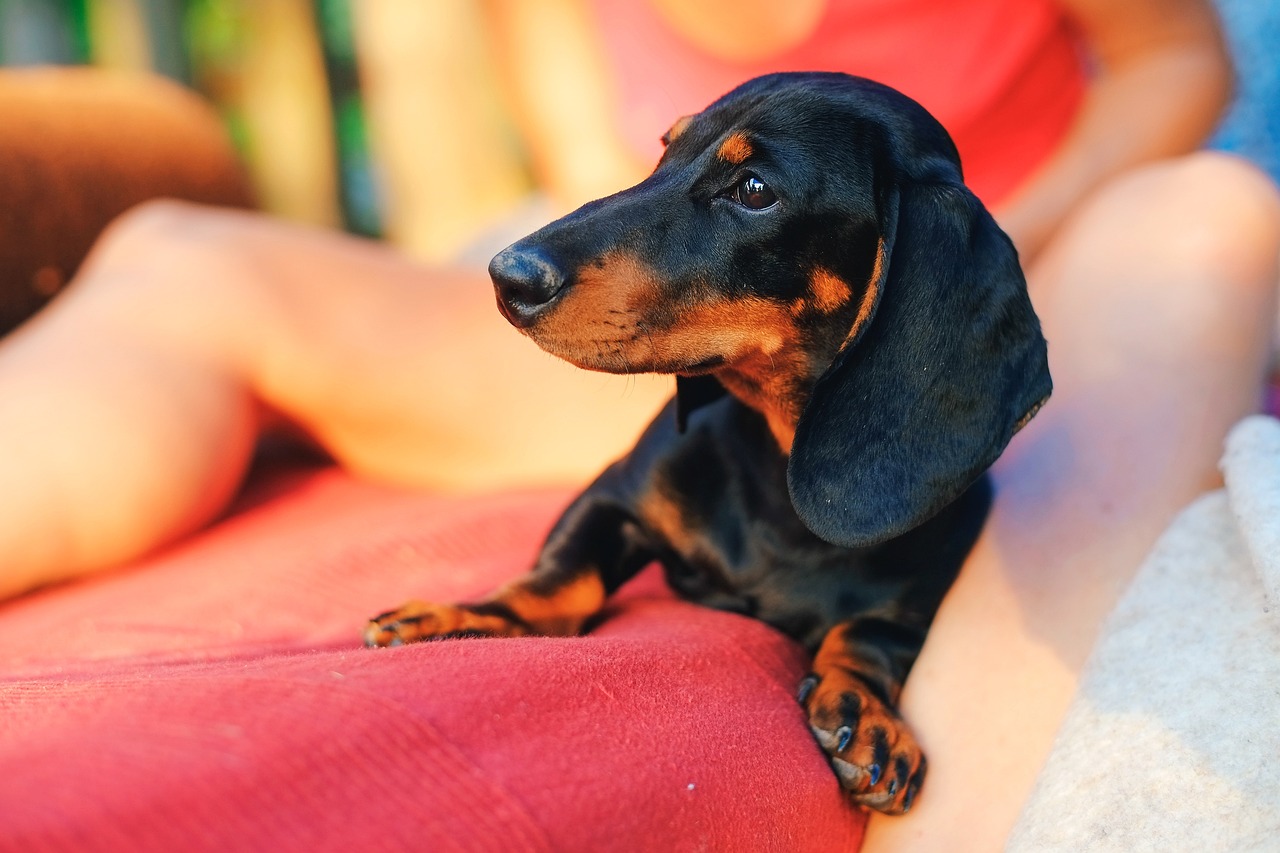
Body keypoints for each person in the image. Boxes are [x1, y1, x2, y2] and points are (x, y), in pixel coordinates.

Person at [0, 0, 1277, 848]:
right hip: (662, 313)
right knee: (183, 255)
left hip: (995, 291)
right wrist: (605, 288)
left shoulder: (956, 265)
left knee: (1211, 219)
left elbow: (1177, 64)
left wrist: (943, 304)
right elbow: (582, 157)